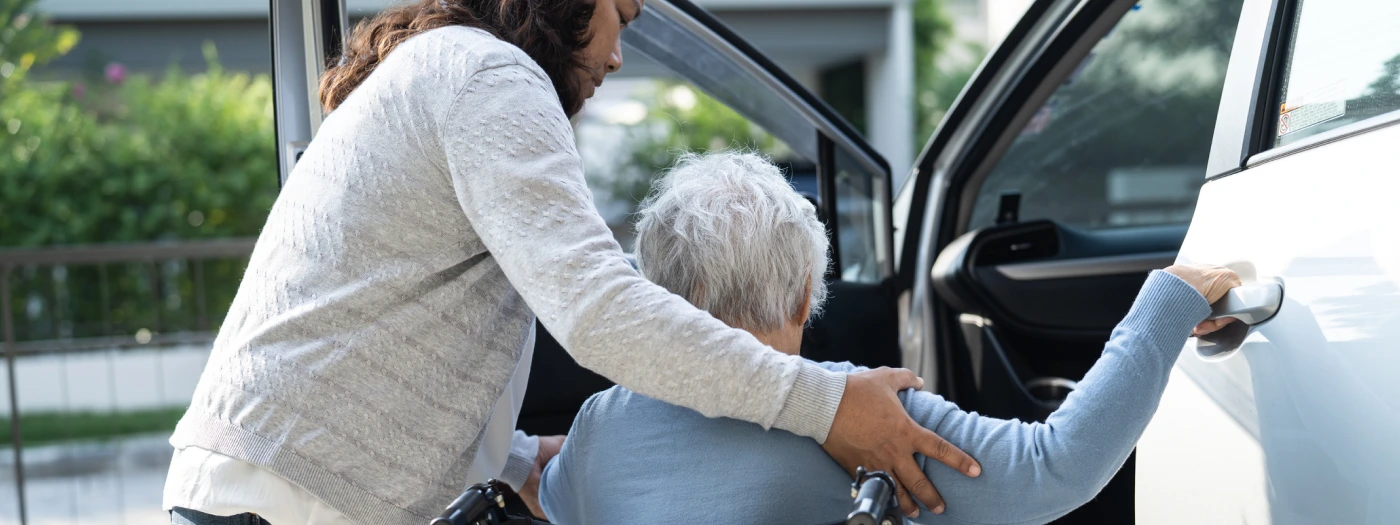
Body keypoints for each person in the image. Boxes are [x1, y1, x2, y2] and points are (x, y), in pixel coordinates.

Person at [161, 1, 979, 524]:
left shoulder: (449, 68)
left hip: (272, 487)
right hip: (295, 499)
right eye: (623, 12)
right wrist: (827, 402)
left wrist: (527, 458)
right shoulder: (490, 73)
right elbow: (598, 310)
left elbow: (422, 329)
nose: (621, 52)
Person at [537, 151, 1242, 524]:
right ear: (806, 294)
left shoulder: (604, 425)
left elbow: (558, 493)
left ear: (657, 293)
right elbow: (1058, 467)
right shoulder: (864, 415)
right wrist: (1166, 301)